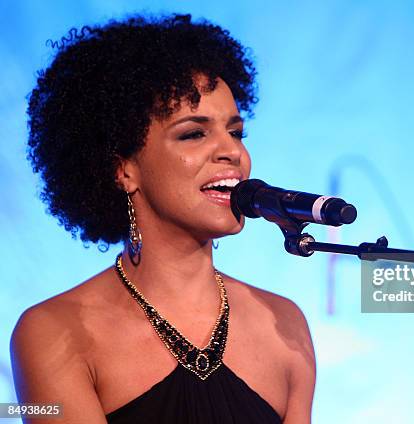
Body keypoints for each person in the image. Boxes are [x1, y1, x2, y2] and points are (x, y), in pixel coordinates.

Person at [10, 14, 316, 423]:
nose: (232, 153)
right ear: (123, 170)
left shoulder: (284, 324)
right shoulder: (51, 332)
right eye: (194, 133)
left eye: (237, 132)